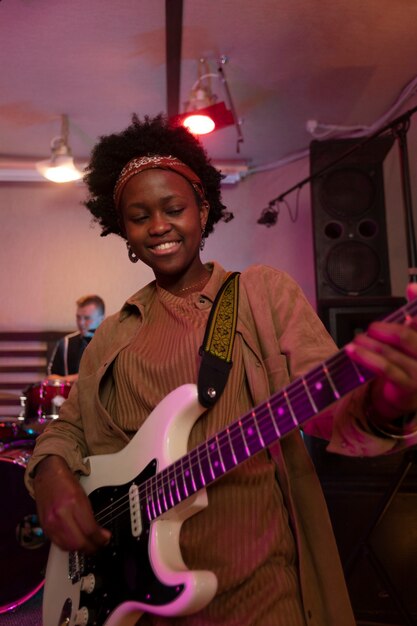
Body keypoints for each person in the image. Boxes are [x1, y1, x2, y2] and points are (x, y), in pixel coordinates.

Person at [25, 114, 417, 626]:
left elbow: (331, 409)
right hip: (136, 597)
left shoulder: (262, 295)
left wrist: (386, 404)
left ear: (203, 209)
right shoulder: (112, 336)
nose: (159, 226)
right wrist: (50, 471)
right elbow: (68, 427)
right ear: (123, 229)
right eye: (140, 216)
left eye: (173, 208)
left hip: (260, 588)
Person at [47, 294, 105, 382]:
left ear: (102, 319)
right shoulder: (65, 343)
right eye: (78, 317)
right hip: (69, 395)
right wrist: (76, 379)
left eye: (87, 318)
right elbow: (50, 378)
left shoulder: (111, 343)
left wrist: (68, 379)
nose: (81, 323)